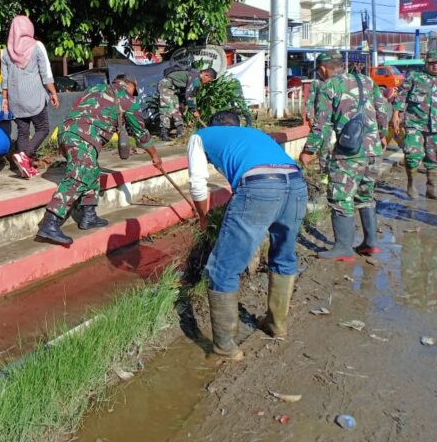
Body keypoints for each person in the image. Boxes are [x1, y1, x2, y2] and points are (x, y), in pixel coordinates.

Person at [188, 111, 307, 360]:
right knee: (283, 256)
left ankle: (225, 347)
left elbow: (198, 183)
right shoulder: (254, 134)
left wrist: (202, 216)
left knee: (222, 269)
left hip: (260, 186)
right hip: (296, 184)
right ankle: (277, 325)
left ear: (214, 126)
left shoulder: (200, 136)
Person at [36, 75, 162, 245]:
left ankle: (89, 216)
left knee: (92, 170)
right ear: (130, 85)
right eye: (135, 91)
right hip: (83, 137)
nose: (135, 95)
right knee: (78, 176)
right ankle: (50, 224)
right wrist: (155, 156)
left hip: (66, 133)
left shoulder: (96, 90)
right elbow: (141, 133)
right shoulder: (127, 100)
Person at [300, 50, 390, 261]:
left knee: (341, 197)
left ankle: (343, 247)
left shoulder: (328, 86)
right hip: (373, 151)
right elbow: (382, 110)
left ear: (323, 69)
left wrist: (309, 150)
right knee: (365, 196)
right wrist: (383, 135)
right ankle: (371, 243)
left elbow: (321, 124)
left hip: (350, 153)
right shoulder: (366, 81)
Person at [1, 15, 59, 179]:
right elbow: (45, 73)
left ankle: (24, 168)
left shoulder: (6, 52)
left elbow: (4, 79)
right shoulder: (37, 46)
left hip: (15, 99)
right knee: (43, 128)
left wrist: (5, 99)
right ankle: (26, 156)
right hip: (34, 96)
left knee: (22, 132)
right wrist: (53, 93)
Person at [391, 50, 437, 199]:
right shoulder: (414, 76)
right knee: (412, 154)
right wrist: (396, 114)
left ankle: (432, 187)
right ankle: (411, 184)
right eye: (432, 63)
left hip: (435, 127)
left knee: (434, 157)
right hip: (414, 123)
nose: (435, 66)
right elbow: (401, 95)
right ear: (426, 63)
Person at [157, 72, 185, 140]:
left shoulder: (191, 76)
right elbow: (188, 93)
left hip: (173, 88)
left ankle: (179, 132)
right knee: (166, 109)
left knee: (175, 109)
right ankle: (164, 134)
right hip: (166, 85)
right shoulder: (193, 77)